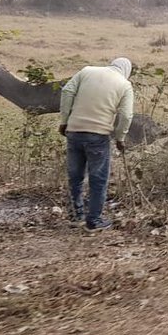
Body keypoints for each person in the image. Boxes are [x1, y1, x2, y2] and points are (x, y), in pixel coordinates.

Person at [58, 58, 135, 231]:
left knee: (75, 176)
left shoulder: (87, 71)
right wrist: (120, 137)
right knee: (98, 179)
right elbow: (126, 115)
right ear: (126, 71)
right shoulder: (124, 84)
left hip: (74, 130)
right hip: (98, 135)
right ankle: (93, 221)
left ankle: (76, 216)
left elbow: (67, 91)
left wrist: (64, 121)